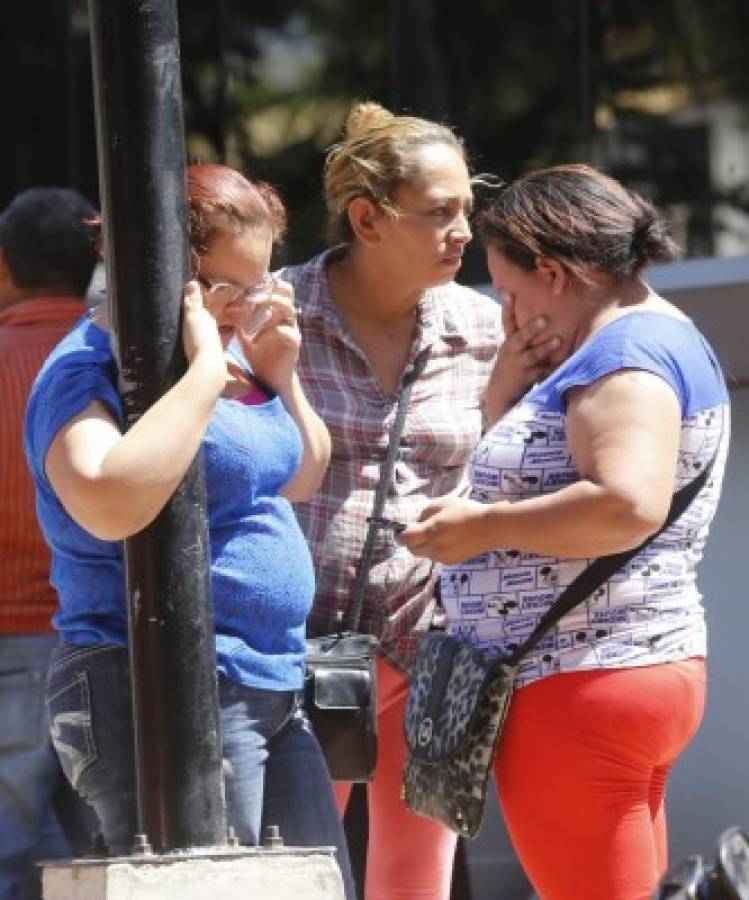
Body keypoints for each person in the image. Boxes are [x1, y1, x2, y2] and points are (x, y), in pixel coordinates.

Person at [400, 163, 730, 900]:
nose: (509, 312)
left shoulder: (622, 357)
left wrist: (480, 529)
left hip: (578, 682)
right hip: (618, 669)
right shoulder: (655, 335)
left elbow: (625, 504)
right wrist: (503, 399)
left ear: (551, 270)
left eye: (510, 293)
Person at [23, 164, 354, 898]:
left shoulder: (224, 351)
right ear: (160, 269)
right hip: (157, 678)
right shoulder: (85, 371)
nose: (240, 309)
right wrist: (207, 372)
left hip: (267, 679)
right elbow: (107, 498)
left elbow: (298, 475)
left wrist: (280, 373)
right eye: (224, 289)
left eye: (257, 286)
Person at [279, 102, 555, 900]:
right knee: (298, 868)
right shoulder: (277, 315)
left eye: (466, 208)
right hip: (301, 645)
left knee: (416, 880)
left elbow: (515, 470)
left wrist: (501, 395)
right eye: (438, 213)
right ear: (366, 219)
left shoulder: (483, 327)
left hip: (433, 641)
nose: (464, 231)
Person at [0, 187, 99, 900]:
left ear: (5, 266)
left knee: (10, 847)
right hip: (105, 637)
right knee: (99, 854)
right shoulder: (117, 360)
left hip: (10, 638)